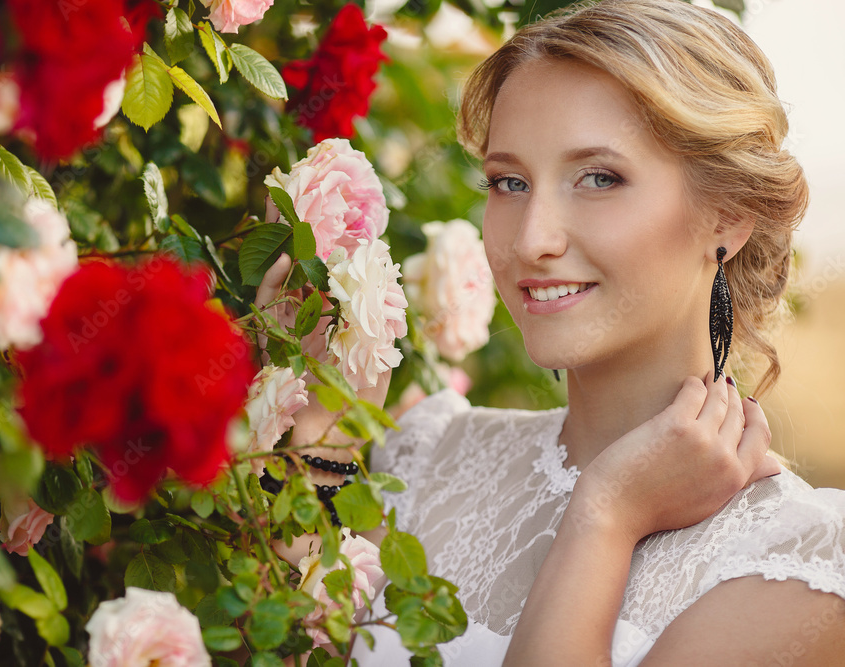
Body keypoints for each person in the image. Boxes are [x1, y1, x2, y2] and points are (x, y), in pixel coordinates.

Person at [257, 0, 845, 664]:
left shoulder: (797, 562)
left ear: (727, 217)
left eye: (599, 178)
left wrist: (606, 515)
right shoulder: (425, 459)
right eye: (509, 182)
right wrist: (319, 433)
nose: (532, 239)